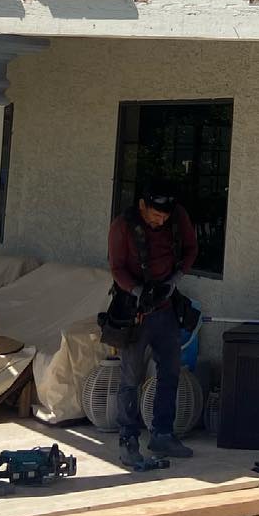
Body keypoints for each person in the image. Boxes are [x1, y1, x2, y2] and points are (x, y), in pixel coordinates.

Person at [106, 186, 199, 469]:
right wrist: (137, 291)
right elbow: (117, 267)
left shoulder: (177, 217)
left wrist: (175, 279)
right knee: (130, 378)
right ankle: (128, 440)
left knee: (170, 371)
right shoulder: (123, 226)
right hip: (134, 310)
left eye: (164, 217)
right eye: (155, 216)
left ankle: (163, 434)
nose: (160, 222)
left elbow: (191, 249)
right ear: (143, 205)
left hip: (166, 307)